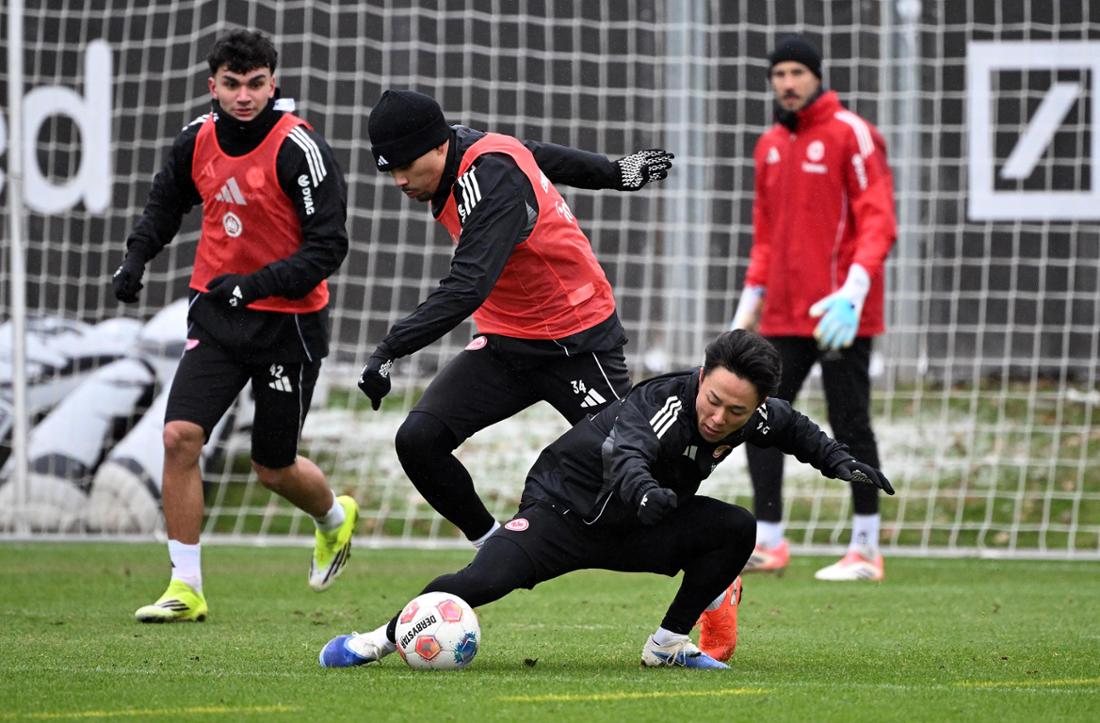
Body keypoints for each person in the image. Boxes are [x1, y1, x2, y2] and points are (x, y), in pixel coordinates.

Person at [318, 330, 893, 669]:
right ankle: (376, 641)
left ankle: (667, 646)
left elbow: (793, 428)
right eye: (713, 400)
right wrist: (644, 492)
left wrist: (839, 462)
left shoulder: (755, 412)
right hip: (561, 514)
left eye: (736, 412)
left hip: (640, 523)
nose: (719, 418)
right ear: (701, 376)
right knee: (479, 582)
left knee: (736, 528)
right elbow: (627, 453)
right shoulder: (663, 403)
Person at [357, 89, 675, 549]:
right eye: (390, 169)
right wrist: (614, 173)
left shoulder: (491, 181)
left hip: (576, 342)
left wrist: (391, 348)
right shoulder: (470, 149)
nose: (400, 181)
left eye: (407, 165)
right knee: (418, 441)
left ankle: (713, 573)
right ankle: (493, 545)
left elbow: (468, 286)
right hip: (508, 344)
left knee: (636, 473)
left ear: (439, 145)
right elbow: (537, 154)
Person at [112, 29, 359, 622]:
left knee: (273, 468)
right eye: (231, 85)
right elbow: (164, 207)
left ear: (273, 83)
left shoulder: (299, 147)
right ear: (212, 86)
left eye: (255, 84)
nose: (244, 96)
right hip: (218, 316)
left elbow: (329, 246)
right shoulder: (195, 141)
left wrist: (254, 284)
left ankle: (333, 518)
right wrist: (136, 258)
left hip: (288, 326)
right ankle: (185, 586)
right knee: (179, 437)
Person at [730, 36, 897, 581]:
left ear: (817, 76)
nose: (787, 82)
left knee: (851, 424)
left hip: (839, 313)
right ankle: (770, 541)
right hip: (782, 315)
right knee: (758, 419)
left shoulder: (853, 133)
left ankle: (866, 548)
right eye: (779, 73)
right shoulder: (768, 146)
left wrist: (852, 292)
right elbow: (765, 237)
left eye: (797, 71)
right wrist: (747, 306)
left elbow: (879, 220)